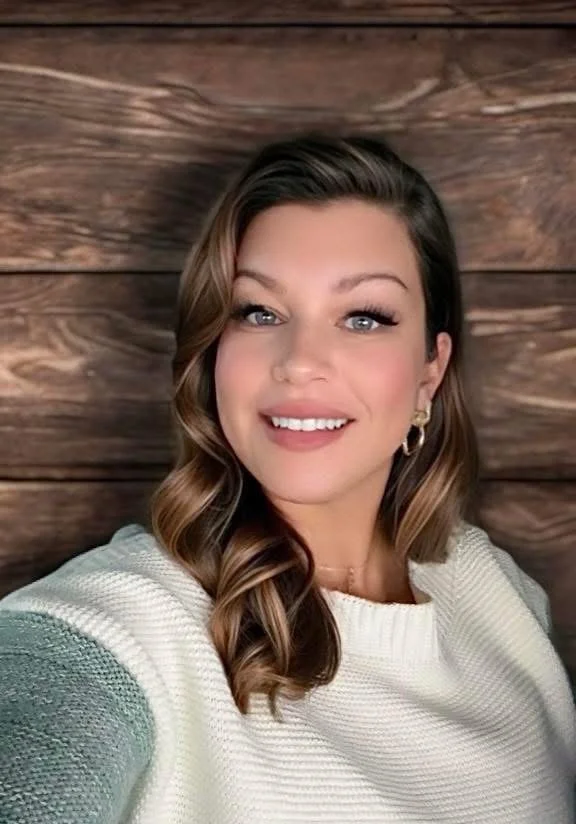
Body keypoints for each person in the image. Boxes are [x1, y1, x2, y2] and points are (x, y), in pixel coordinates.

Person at [0, 133, 574, 824]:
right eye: (259, 312)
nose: (300, 361)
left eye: (364, 317)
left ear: (431, 368)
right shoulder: (110, 628)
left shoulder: (501, 596)